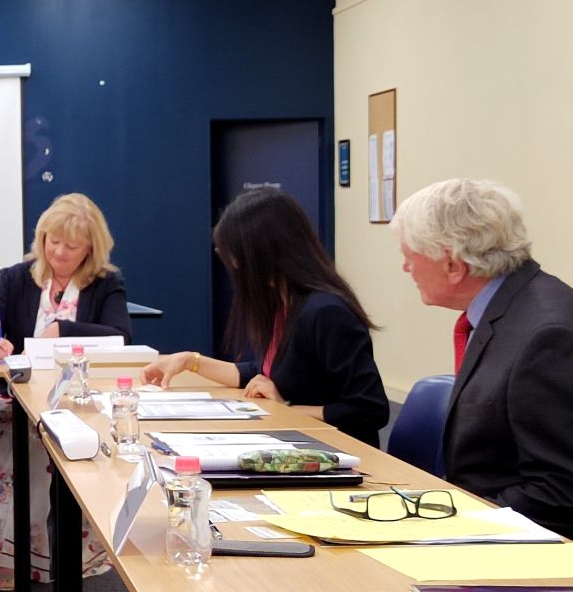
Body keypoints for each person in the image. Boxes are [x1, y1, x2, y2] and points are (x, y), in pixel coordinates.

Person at [393, 177, 573, 552]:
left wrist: (452, 525)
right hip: (498, 531)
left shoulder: (549, 336)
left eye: (410, 255)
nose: (405, 267)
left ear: (452, 264)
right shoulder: (512, 308)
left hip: (552, 555)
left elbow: (565, 493)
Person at [0, 194, 130, 590]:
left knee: (68, 439)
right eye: (53, 241)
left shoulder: (106, 283)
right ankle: (13, 556)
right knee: (17, 438)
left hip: (81, 403)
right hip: (14, 398)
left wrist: (64, 330)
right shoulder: (18, 277)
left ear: (91, 248)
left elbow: (120, 336)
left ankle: (74, 553)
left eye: (71, 245)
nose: (59, 252)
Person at [142, 189, 388, 449]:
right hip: (298, 443)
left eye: (236, 257)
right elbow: (264, 372)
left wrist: (286, 407)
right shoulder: (285, 304)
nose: (234, 267)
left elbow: (369, 409)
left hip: (337, 450)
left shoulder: (326, 312)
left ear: (262, 255)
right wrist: (190, 361)